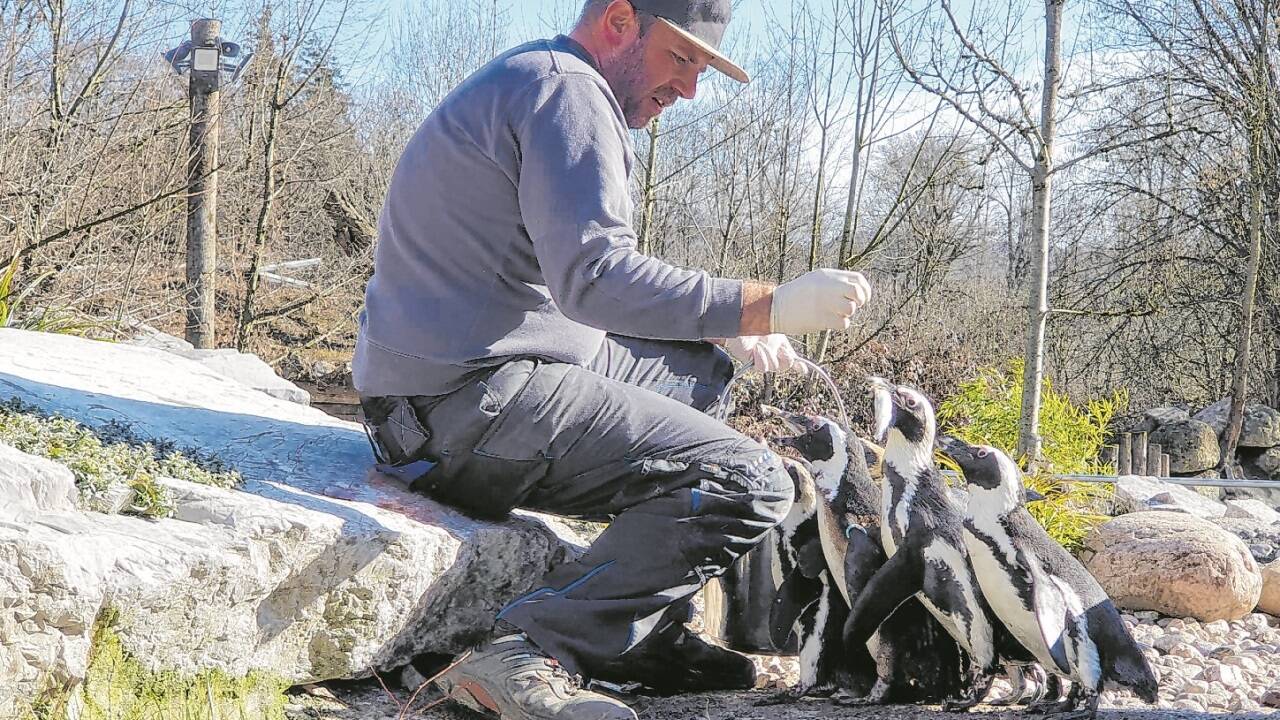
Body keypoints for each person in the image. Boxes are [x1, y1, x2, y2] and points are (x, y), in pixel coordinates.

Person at [354, 1, 872, 717]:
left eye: (701, 68)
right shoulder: (567, 92)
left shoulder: (540, 77)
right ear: (621, 21)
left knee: (700, 372)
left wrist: (718, 331)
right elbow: (595, 278)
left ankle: (644, 632)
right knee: (749, 481)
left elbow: (573, 286)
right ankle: (528, 651)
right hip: (464, 406)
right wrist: (764, 304)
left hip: (459, 384)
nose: (689, 88)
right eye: (682, 58)